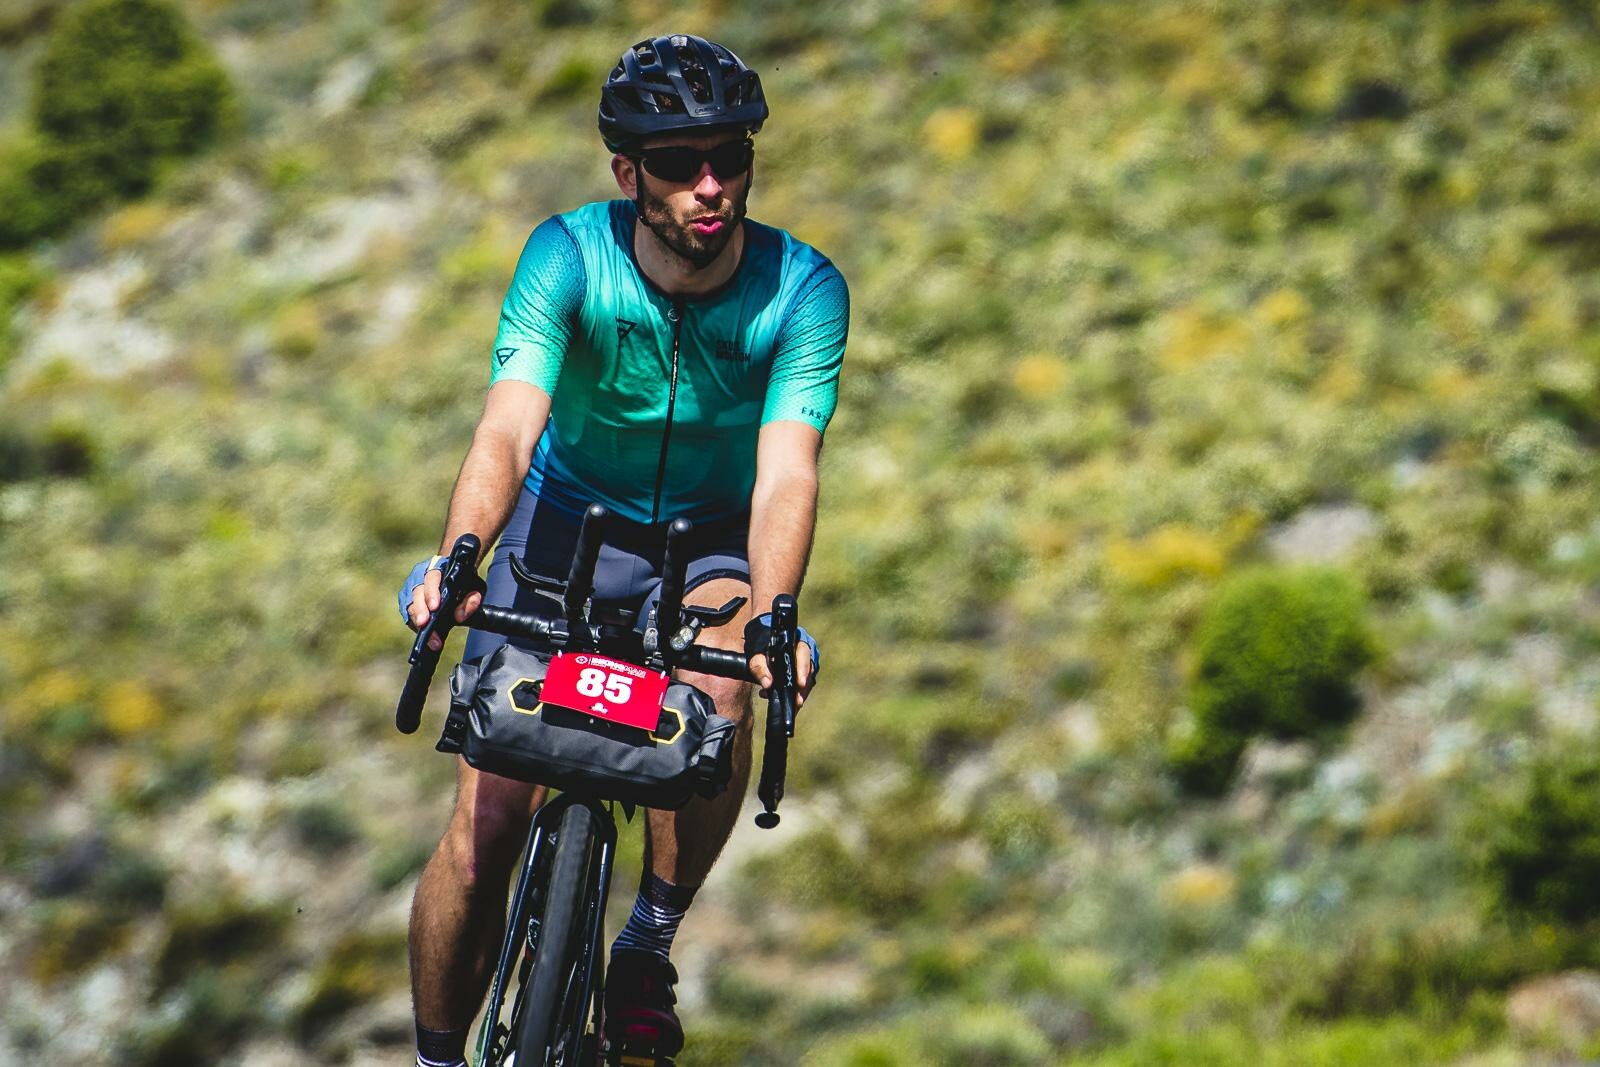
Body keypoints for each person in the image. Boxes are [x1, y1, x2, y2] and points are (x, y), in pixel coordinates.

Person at [398, 33, 848, 1067]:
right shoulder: (567, 255)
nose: (710, 185)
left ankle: (646, 939)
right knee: (484, 832)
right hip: (563, 523)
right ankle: (432, 1057)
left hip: (708, 542)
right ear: (626, 172)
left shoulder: (802, 289)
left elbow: (787, 470)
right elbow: (508, 427)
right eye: (680, 162)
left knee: (726, 686)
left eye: (730, 158)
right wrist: (460, 555)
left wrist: (775, 617)